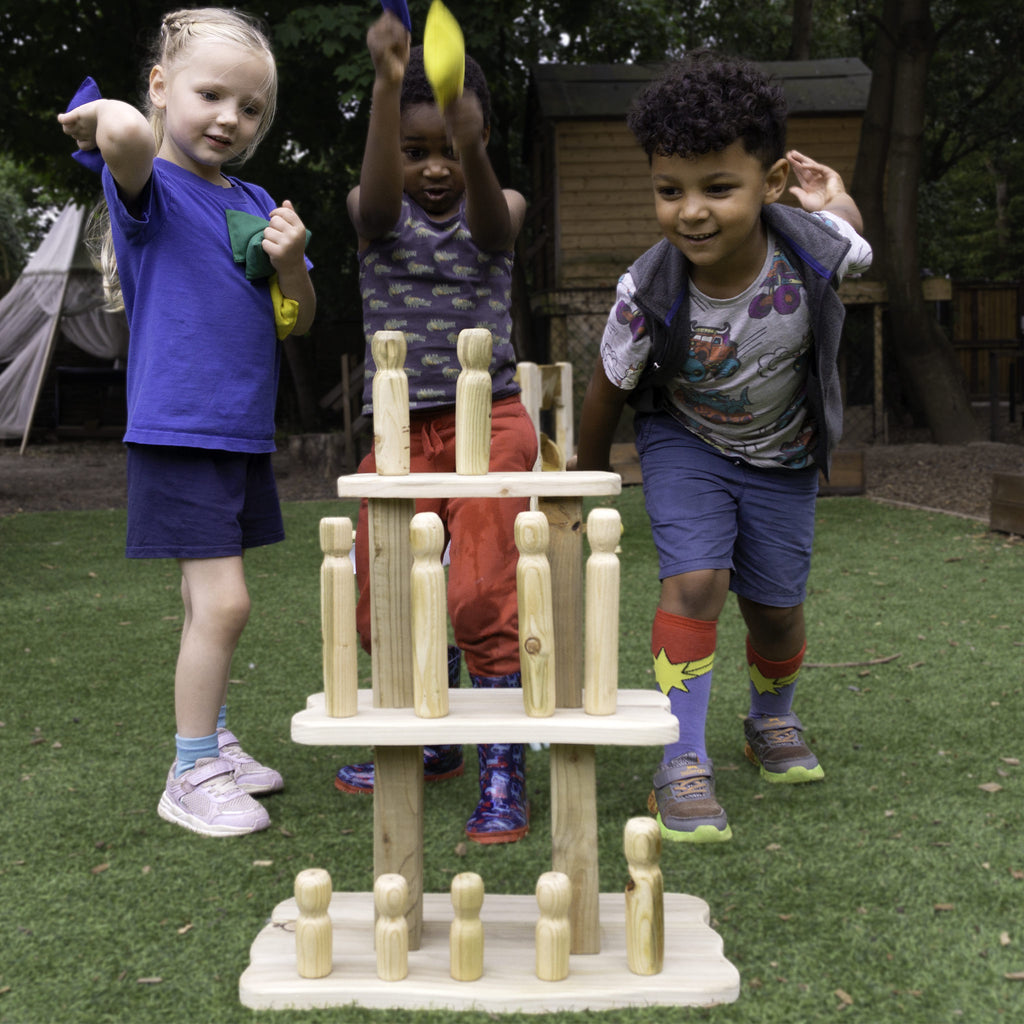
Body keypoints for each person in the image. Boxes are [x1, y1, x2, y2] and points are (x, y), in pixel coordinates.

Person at [573, 51, 872, 843]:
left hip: (784, 453)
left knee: (775, 611)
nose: (691, 212)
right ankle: (682, 757)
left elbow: (852, 234)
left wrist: (834, 196)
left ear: (770, 183)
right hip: (686, 441)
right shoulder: (649, 292)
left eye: (717, 187)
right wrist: (580, 484)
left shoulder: (809, 245)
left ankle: (771, 718)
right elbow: (607, 384)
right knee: (697, 582)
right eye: (670, 190)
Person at [58, 7, 315, 837]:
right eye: (210, 95)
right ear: (164, 88)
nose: (230, 120)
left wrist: (290, 262)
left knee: (209, 600)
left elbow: (297, 319)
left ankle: (215, 741)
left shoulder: (249, 199)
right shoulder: (148, 188)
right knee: (225, 604)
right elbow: (129, 137)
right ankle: (191, 768)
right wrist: (105, 118)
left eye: (250, 109)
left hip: (238, 432)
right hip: (180, 428)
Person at [335, 10, 536, 845]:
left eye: (447, 148)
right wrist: (389, 85)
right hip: (398, 429)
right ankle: (430, 726)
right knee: (382, 599)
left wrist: (475, 147)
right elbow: (375, 199)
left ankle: (500, 756)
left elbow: (493, 228)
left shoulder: (503, 202)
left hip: (490, 421)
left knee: (482, 588)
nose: (434, 169)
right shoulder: (372, 211)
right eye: (418, 151)